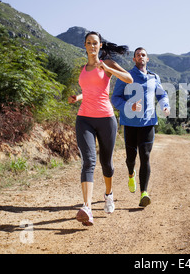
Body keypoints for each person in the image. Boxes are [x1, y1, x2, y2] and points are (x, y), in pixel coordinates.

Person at [68, 31, 133, 226]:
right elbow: (89, 90)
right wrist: (78, 97)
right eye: (89, 43)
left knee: (107, 163)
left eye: (95, 43)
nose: (92, 46)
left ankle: (108, 194)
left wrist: (107, 68)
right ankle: (87, 207)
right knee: (88, 161)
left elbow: (129, 78)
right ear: (85, 46)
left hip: (106, 119)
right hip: (84, 118)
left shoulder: (108, 64)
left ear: (100, 45)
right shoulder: (82, 68)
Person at [111, 47, 170, 207]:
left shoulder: (154, 77)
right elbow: (115, 98)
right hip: (130, 124)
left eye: (143, 55)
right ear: (134, 59)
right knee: (131, 158)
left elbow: (162, 94)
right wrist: (129, 105)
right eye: (138, 55)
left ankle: (144, 193)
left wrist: (165, 105)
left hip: (148, 123)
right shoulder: (126, 77)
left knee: (145, 156)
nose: (141, 57)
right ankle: (131, 173)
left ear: (147, 59)